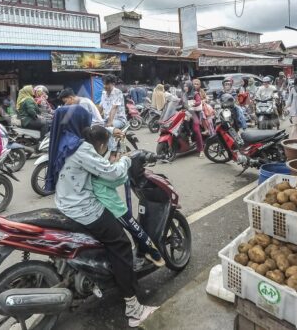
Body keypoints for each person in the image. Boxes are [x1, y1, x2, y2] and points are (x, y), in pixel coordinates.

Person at [51, 107, 158, 327]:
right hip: (84, 208)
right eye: (85, 122)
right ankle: (133, 309)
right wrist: (128, 159)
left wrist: (111, 130)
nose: (87, 126)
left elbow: (93, 134)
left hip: (64, 203)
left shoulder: (63, 140)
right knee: (121, 244)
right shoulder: (81, 149)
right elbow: (114, 173)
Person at [84, 125, 165, 267]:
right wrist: (125, 161)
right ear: (102, 144)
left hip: (94, 205)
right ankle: (154, 254)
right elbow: (119, 177)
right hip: (112, 206)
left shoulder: (89, 156)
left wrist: (115, 151)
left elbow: (109, 161)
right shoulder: (100, 164)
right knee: (136, 228)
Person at [179, 81, 204, 158]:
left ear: (190, 86)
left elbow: (199, 101)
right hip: (186, 113)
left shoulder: (195, 93)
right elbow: (180, 102)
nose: (185, 88)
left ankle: (201, 150)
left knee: (196, 130)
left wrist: (194, 103)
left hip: (194, 114)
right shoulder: (184, 94)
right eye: (184, 86)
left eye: (186, 86)